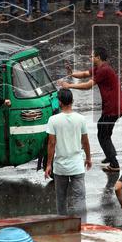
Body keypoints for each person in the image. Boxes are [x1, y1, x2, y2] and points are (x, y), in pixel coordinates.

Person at [62, 46, 122, 173]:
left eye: (92, 56)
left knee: (103, 135)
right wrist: (72, 74)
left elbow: (88, 86)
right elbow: (86, 74)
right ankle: (110, 155)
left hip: (112, 108)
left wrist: (69, 85)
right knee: (104, 132)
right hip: (116, 106)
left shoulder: (104, 70)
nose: (90, 57)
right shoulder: (100, 68)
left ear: (98, 57)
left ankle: (114, 164)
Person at [45, 89, 91, 220]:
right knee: (79, 199)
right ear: (72, 101)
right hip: (77, 166)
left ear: (59, 102)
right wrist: (88, 158)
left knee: (61, 199)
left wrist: (48, 165)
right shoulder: (80, 119)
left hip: (60, 167)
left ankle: (62, 226)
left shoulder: (53, 120)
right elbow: (85, 141)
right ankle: (82, 227)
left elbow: (51, 144)